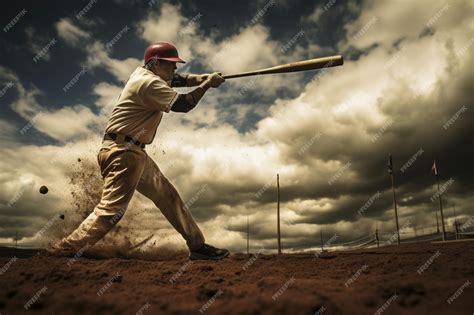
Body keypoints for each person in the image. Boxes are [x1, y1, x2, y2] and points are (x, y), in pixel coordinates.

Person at [49, 42, 229, 260]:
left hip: (133, 151)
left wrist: (202, 77)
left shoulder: (145, 73)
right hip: (123, 153)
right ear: (154, 63)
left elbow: (180, 79)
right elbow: (184, 104)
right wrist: (207, 85)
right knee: (111, 210)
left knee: (168, 196)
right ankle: (65, 250)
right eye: (170, 64)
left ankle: (197, 246)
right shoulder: (148, 83)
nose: (175, 69)